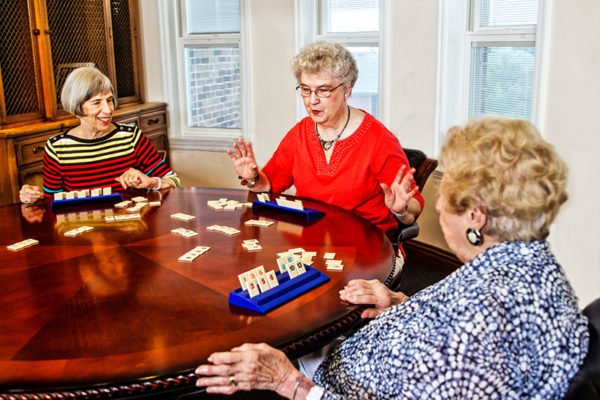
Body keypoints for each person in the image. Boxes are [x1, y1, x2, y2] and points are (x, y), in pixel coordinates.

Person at [195, 117, 589, 399]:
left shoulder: (483, 325)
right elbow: (446, 320)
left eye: (446, 193)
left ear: (475, 217)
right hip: (359, 355)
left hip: (330, 385)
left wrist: (288, 382)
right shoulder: (523, 264)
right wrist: (398, 302)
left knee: (210, 382)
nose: (437, 208)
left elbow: (462, 344)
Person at [228, 40, 423, 259]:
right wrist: (254, 178)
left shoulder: (380, 140)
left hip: (367, 248)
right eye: (305, 90)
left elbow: (413, 207)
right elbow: (270, 184)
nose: (312, 101)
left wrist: (401, 210)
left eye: (323, 90)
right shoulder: (299, 134)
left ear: (346, 90)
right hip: (311, 241)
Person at [19, 67, 180, 203]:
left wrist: (151, 182)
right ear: (77, 106)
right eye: (97, 102)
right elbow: (52, 201)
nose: (108, 109)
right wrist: (32, 195)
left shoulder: (131, 137)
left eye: (109, 100)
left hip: (130, 229)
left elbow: (174, 181)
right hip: (83, 234)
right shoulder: (57, 147)